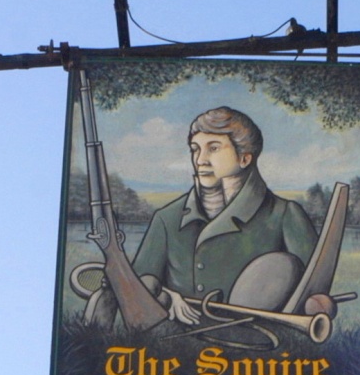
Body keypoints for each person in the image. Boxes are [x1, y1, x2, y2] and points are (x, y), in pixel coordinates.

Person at [87, 106, 318, 328]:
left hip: (259, 352)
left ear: (244, 158)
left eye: (213, 148)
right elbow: (141, 286)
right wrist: (169, 297)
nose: (200, 160)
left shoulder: (285, 215)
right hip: (174, 351)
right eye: (195, 149)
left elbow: (313, 293)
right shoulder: (167, 219)